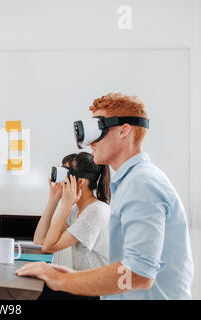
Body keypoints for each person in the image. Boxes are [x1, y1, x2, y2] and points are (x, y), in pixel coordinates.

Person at [16, 93, 194, 300]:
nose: (90, 143)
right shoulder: (130, 182)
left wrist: (63, 281)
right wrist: (75, 276)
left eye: (98, 130)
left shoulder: (141, 183)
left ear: (124, 131)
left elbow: (138, 275)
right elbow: (130, 269)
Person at [34, 152, 110, 271]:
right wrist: (53, 200)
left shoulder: (95, 211)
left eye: (66, 174)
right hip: (81, 284)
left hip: (97, 287)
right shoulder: (77, 210)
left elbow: (48, 247)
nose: (62, 181)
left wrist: (65, 205)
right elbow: (40, 240)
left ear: (81, 182)